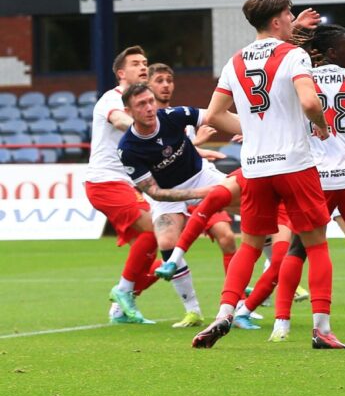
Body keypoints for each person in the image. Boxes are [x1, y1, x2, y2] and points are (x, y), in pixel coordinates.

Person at [192, 0, 345, 350]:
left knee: (249, 245)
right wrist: (321, 124)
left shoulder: (235, 61)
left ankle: (225, 312)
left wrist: (251, 127)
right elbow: (309, 101)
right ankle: (322, 329)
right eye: (289, 15)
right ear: (277, 21)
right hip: (294, 164)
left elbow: (214, 115)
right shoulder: (294, 55)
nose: (293, 20)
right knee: (316, 244)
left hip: (256, 168)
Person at [260, 24, 345, 343]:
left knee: (299, 247)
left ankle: (282, 322)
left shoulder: (300, 80)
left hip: (313, 177)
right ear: (333, 52)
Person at [118, 84, 240, 327]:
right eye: (141, 104)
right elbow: (153, 192)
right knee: (166, 243)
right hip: (167, 193)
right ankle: (193, 310)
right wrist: (201, 194)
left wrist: (250, 128)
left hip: (202, 175)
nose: (150, 107)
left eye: (150, 101)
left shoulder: (173, 116)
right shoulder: (128, 148)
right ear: (128, 111)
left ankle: (269, 275)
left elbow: (213, 115)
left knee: (251, 206)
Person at [83, 46, 160, 325]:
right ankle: (124, 290)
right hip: (106, 181)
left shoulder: (147, 104)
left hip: (132, 184)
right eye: (136, 63)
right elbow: (120, 121)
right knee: (154, 228)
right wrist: (147, 130)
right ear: (121, 73)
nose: (143, 67)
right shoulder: (111, 99)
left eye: (146, 62)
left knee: (165, 258)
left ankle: (120, 309)